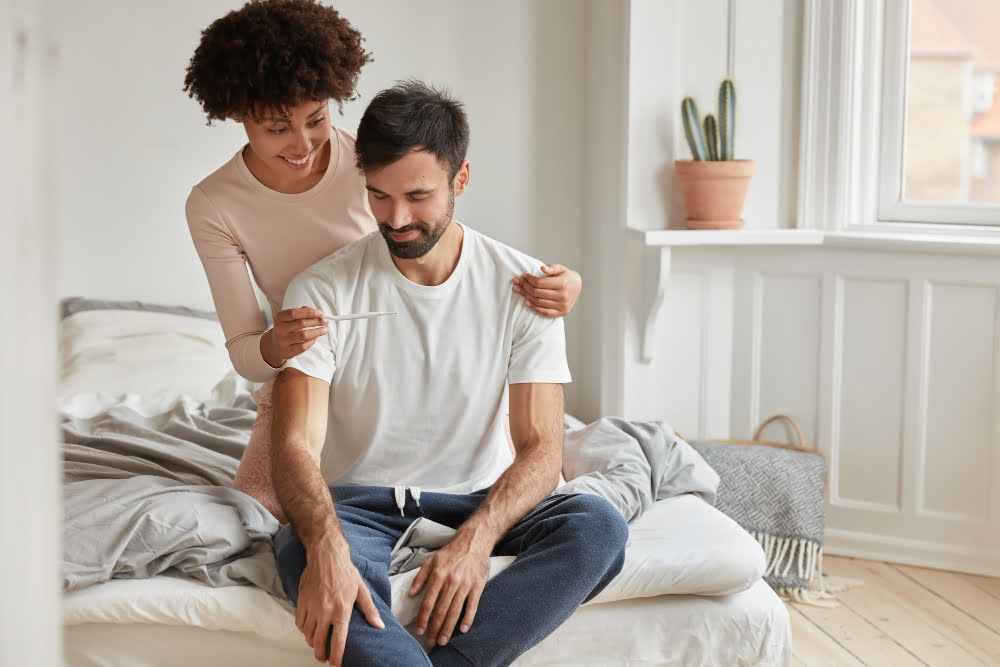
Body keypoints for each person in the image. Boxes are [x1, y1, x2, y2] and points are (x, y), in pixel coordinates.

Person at [270, 80, 627, 667]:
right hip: (362, 506)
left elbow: (541, 448)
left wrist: (476, 542)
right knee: (299, 548)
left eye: (417, 196)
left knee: (597, 526)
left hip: (479, 500)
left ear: (460, 179)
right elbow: (293, 442)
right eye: (378, 196)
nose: (396, 218)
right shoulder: (321, 289)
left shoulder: (526, 287)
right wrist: (327, 543)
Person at [182, 0, 582, 522]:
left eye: (316, 119)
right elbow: (243, 352)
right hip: (307, 374)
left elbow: (441, 233)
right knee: (259, 518)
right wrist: (277, 345)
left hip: (415, 366)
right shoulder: (214, 204)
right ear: (237, 114)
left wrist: (561, 282)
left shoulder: (369, 160)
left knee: (544, 496)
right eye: (277, 128)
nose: (303, 145)